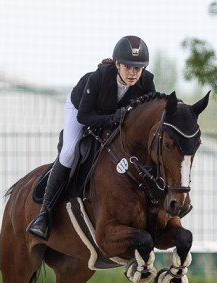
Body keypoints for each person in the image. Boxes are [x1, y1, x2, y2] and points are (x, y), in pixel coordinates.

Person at [27, 35, 156, 240]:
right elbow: (84, 116)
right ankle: (44, 215)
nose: (133, 73)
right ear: (117, 64)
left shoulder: (147, 82)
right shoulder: (99, 77)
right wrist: (113, 118)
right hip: (81, 109)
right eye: (128, 67)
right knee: (69, 152)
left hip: (113, 119)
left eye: (137, 68)